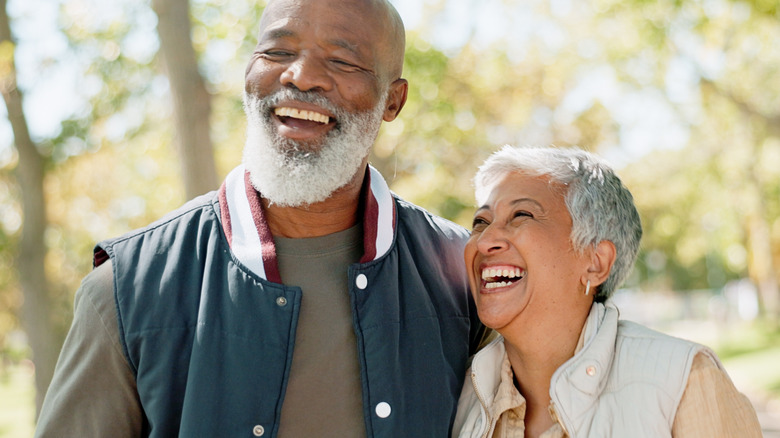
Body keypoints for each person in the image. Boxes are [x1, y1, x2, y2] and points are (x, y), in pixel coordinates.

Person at [35, 0, 489, 436]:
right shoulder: (128, 286)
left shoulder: (465, 276)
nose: (302, 76)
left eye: (342, 61)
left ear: (393, 101)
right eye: (278, 52)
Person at [452, 146, 762, 437]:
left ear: (596, 263)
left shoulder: (684, 381)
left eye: (522, 215)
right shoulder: (458, 391)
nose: (484, 240)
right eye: (480, 222)